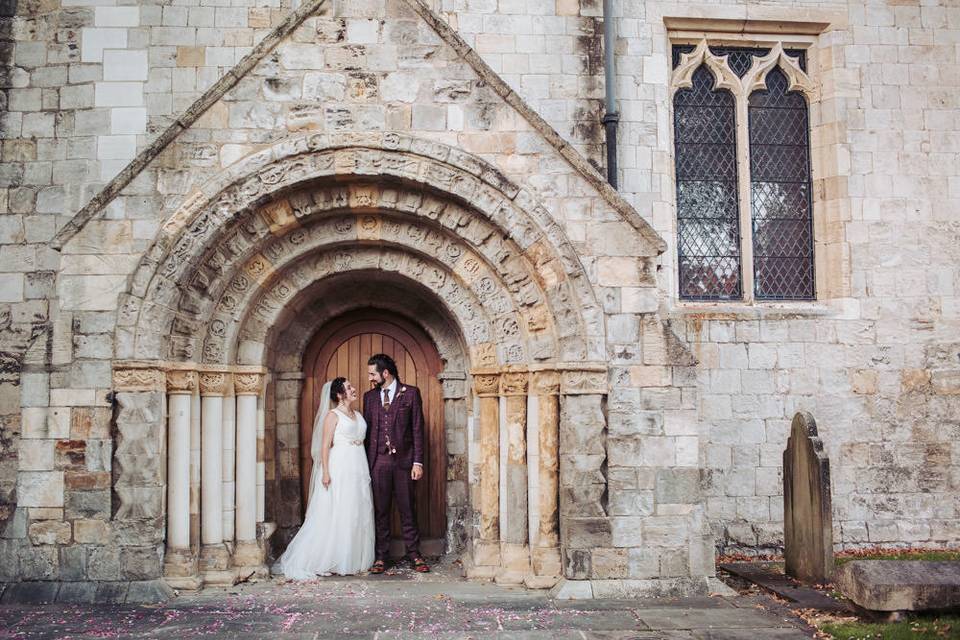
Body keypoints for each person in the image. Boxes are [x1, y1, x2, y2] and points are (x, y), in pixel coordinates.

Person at [273, 377, 374, 578]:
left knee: (355, 510)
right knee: (338, 511)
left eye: (352, 386)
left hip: (358, 465)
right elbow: (325, 445)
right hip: (340, 466)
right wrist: (326, 472)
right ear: (339, 395)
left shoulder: (357, 414)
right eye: (349, 387)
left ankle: (353, 558)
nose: (354, 389)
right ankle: (328, 558)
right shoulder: (332, 415)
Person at [364, 353, 430, 574]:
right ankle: (381, 556)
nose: (370, 378)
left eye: (373, 373)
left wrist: (417, 462)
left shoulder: (410, 393)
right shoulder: (369, 397)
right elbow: (369, 431)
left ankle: (414, 554)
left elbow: (418, 430)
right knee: (381, 511)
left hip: (404, 462)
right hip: (378, 462)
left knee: (407, 509)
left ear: (385, 373)